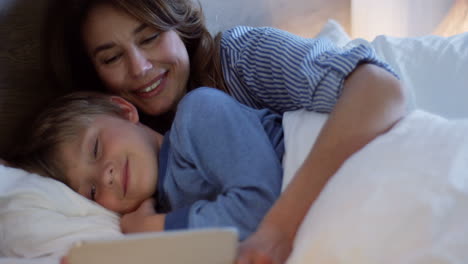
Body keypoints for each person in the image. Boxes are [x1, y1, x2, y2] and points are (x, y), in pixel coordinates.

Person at [43, 0, 407, 262]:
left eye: (151, 36)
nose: (139, 68)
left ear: (177, 24)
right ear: (96, 83)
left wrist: (277, 227)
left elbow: (380, 88)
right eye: (111, 57)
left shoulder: (234, 65)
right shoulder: (147, 175)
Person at [11, 87, 284, 241]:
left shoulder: (198, 113)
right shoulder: (159, 214)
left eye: (96, 148)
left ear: (123, 110)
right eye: (92, 191)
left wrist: (153, 227)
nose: (106, 176)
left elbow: (263, 210)